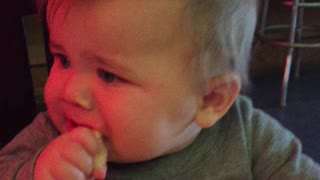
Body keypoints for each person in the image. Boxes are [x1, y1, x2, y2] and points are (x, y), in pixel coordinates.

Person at [1, 0, 319, 179]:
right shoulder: (49, 139)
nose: (71, 92)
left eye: (108, 75)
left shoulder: (248, 136)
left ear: (210, 99)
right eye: (63, 59)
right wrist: (36, 172)